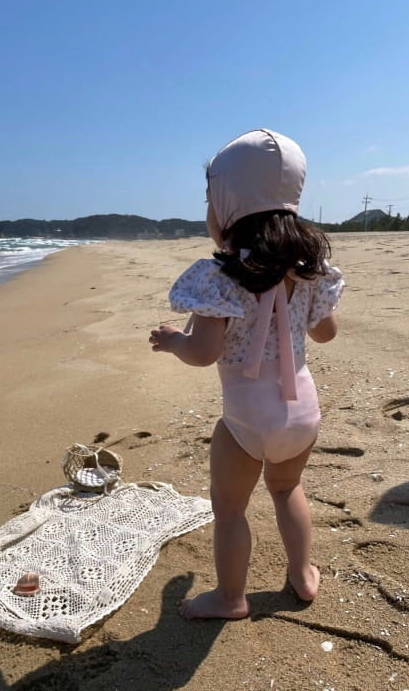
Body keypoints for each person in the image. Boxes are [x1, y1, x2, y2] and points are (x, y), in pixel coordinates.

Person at [149, 129, 344, 619]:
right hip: (303, 412)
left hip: (246, 419)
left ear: (224, 209)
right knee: (286, 489)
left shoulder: (220, 277)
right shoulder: (309, 271)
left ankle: (231, 598)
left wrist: (175, 341)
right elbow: (326, 335)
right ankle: (302, 576)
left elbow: (203, 352)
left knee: (230, 509)